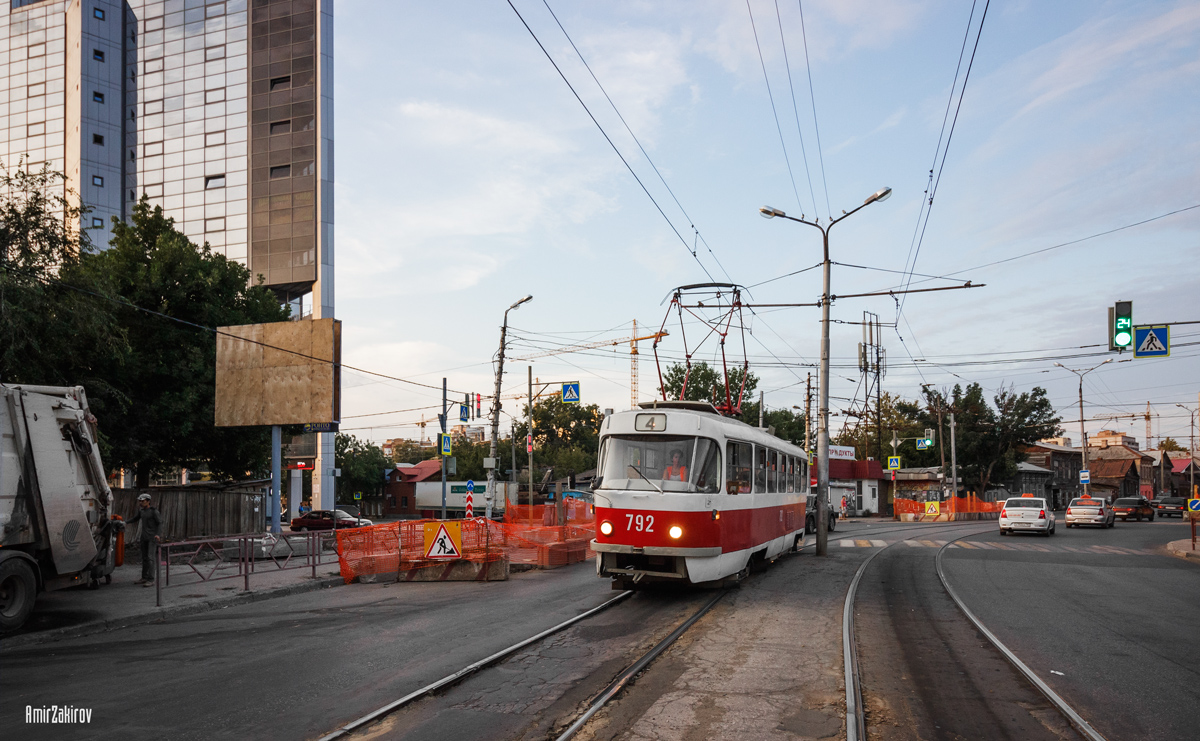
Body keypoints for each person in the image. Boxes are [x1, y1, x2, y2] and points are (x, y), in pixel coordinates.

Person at [127, 493, 163, 587]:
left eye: (143, 501)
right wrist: (125, 522)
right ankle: (144, 577)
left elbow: (159, 523)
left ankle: (151, 579)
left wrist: (158, 535)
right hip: (144, 537)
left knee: (151, 558)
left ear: (148, 501)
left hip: (152, 538)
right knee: (145, 558)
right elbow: (135, 518)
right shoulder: (142, 511)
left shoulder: (154, 511)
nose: (141, 503)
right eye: (140, 501)